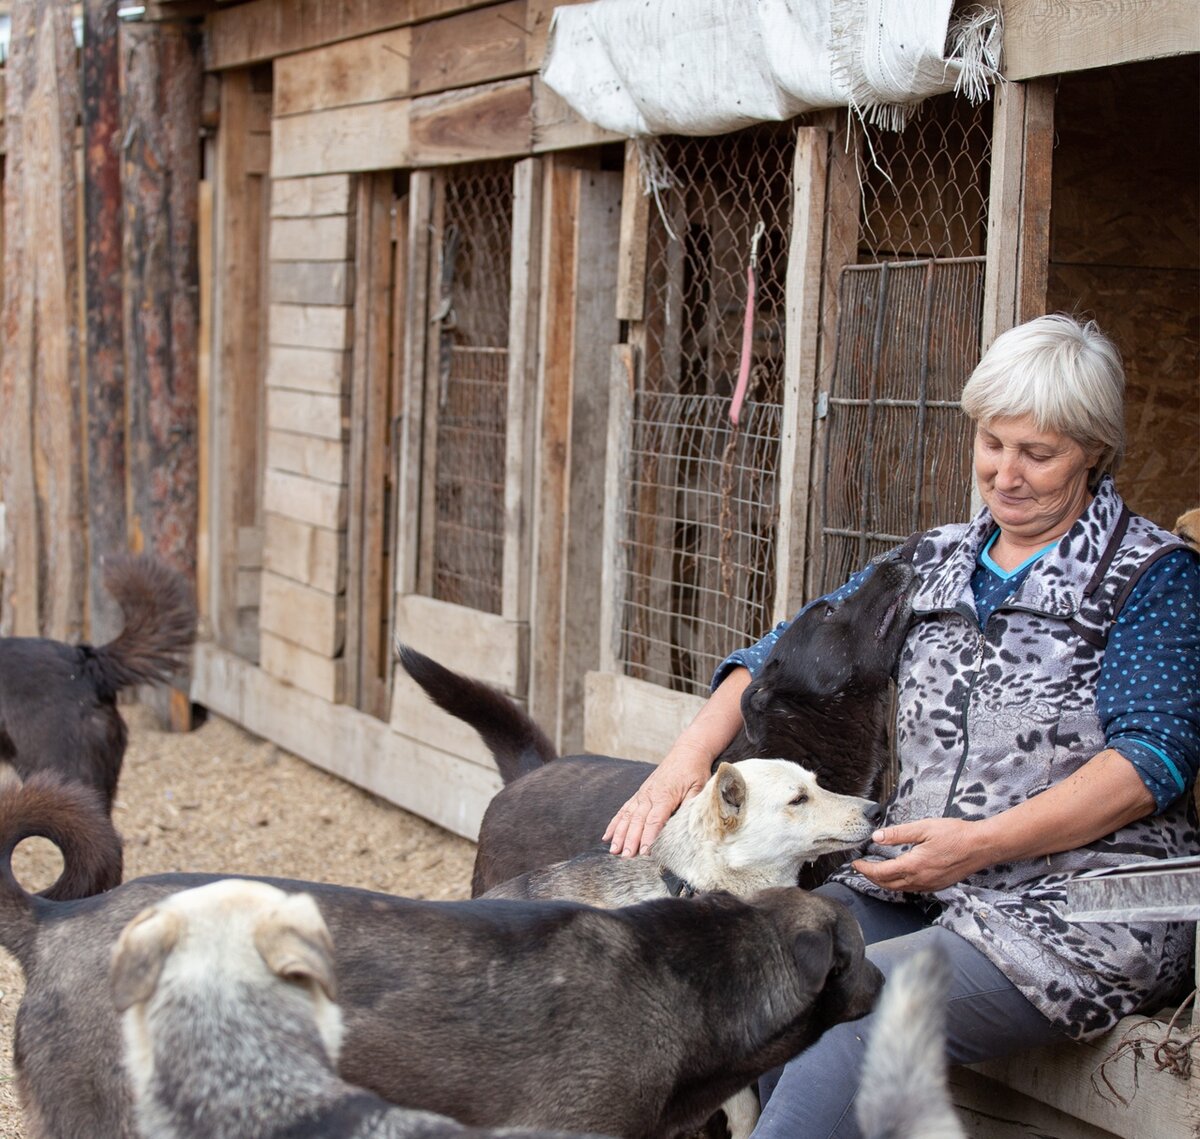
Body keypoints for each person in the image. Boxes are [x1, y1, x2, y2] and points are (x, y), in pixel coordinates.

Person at [603, 313, 1200, 1138]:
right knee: (766, 973)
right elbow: (780, 649)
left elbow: (1151, 762)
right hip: (929, 881)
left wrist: (983, 842)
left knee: (851, 1024)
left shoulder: (1149, 576)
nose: (1007, 473)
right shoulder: (936, 559)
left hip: (1082, 907)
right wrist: (682, 764)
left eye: (1039, 452)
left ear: (1094, 449)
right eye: (993, 442)